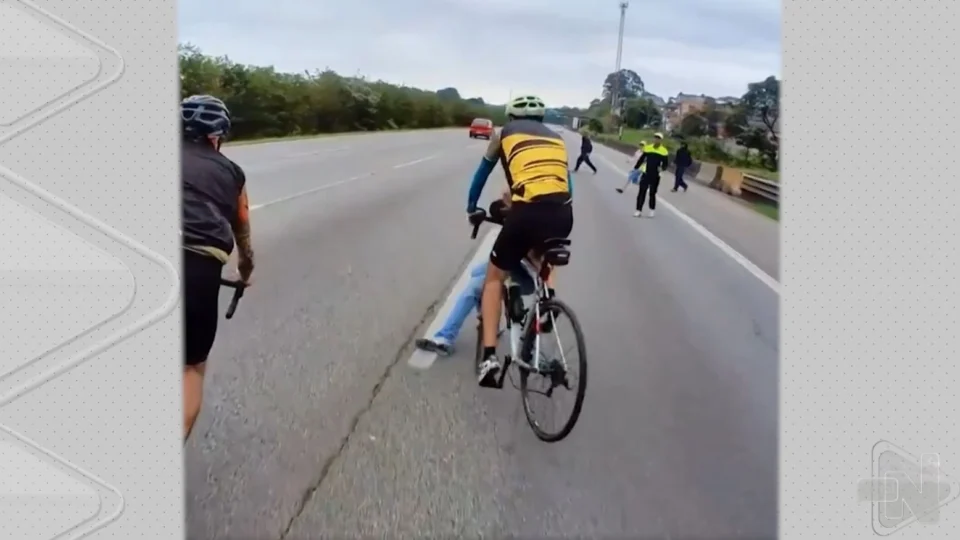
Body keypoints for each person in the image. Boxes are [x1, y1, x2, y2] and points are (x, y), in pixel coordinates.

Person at [465, 94, 575, 387]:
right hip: (563, 214)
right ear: (541, 119)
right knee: (544, 255)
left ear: (511, 117)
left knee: (493, 278)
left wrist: (471, 207)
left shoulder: (503, 134)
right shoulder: (556, 139)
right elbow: (568, 186)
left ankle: (489, 358)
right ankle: (548, 303)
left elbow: (481, 174)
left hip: (526, 213)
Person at [181, 94, 255, 441]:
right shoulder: (231, 172)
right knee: (191, 367)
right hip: (198, 266)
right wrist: (245, 273)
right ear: (216, 136)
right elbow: (243, 233)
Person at [633, 132, 670, 218]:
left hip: (656, 175)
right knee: (642, 192)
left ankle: (651, 209)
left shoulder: (664, 151)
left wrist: (662, 168)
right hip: (646, 173)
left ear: (661, 140)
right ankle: (638, 210)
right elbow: (642, 159)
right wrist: (636, 167)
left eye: (658, 138)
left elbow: (665, 164)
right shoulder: (648, 148)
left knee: (652, 193)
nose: (656, 139)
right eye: (655, 138)